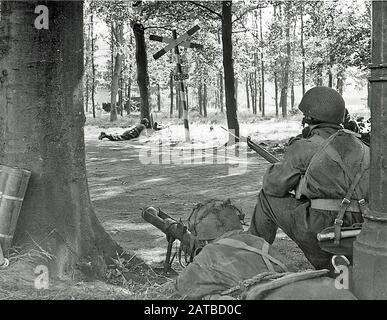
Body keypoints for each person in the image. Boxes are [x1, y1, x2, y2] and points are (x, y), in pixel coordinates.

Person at [248, 86, 370, 270]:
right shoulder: (364, 148)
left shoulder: (305, 147)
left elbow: (273, 186)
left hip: (324, 231)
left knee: (266, 198)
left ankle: (251, 259)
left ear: (309, 119)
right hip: (363, 229)